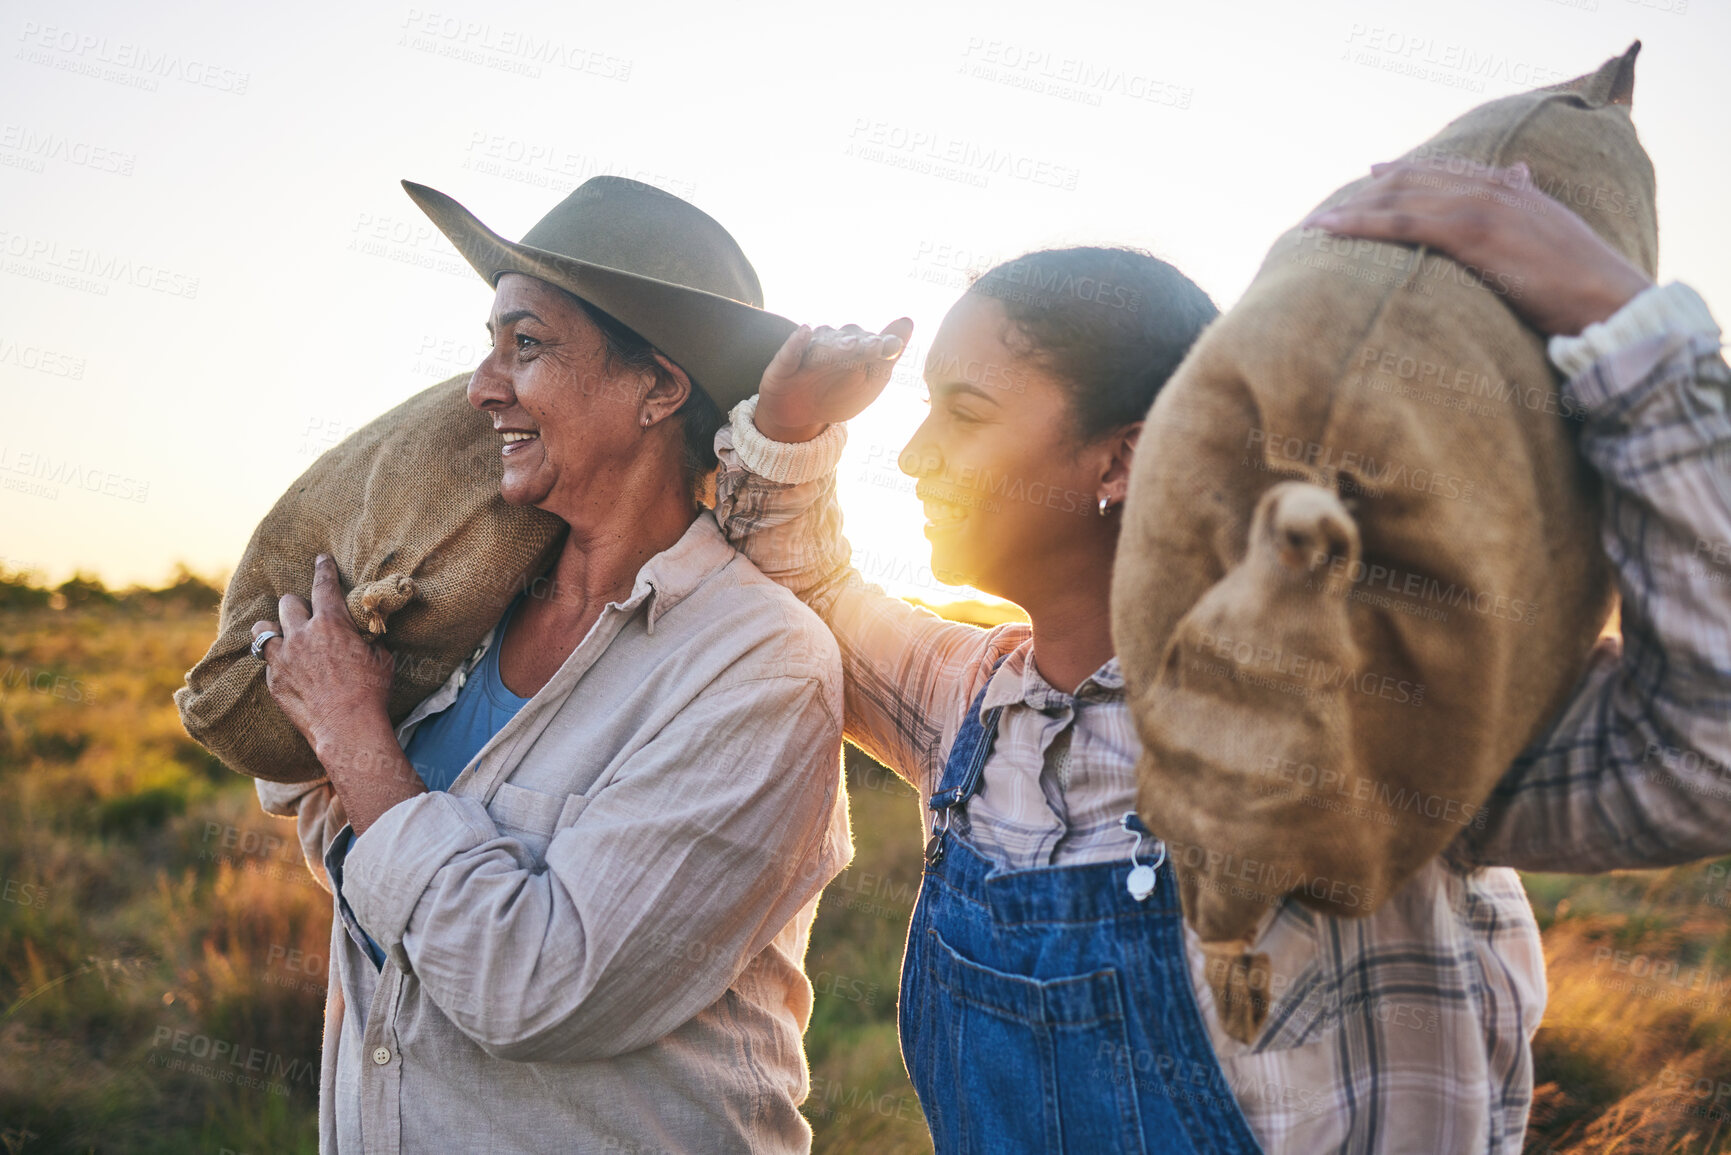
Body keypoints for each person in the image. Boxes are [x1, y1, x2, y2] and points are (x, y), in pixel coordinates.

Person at [711, 160, 1730, 1153]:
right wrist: (795, 427)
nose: (914, 453)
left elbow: (1700, 753)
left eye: (965, 412)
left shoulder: (1353, 708)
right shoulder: (974, 705)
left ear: (1122, 458)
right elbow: (811, 592)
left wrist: (1625, 327)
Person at [249, 176, 852, 1154]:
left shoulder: (758, 666)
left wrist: (357, 738)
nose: (483, 387)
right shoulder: (455, 612)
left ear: (658, 387)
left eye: (526, 347)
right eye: (489, 348)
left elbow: (537, 989)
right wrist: (346, 748)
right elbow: (322, 805)